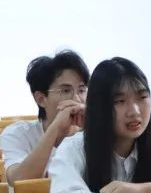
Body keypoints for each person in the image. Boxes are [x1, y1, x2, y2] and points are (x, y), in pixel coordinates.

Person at [50, 58, 151, 193]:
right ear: (99, 107)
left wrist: (144, 189)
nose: (134, 111)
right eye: (120, 101)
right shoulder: (74, 149)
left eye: (142, 97)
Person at [1, 50, 89, 182]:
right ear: (41, 99)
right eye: (65, 90)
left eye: (81, 90)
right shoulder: (18, 134)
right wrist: (56, 128)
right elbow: (19, 180)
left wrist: (94, 130)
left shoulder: (91, 131)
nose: (77, 99)